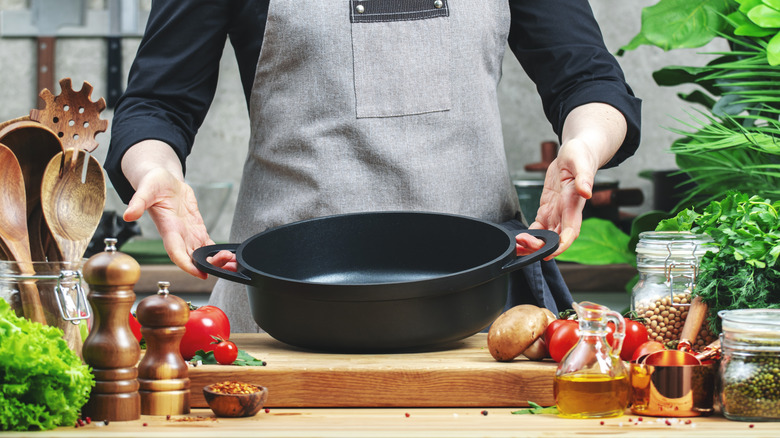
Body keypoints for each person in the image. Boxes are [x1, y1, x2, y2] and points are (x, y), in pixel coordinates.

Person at [106, 0, 641, 333]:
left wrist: (586, 143)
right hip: (282, 311)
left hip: (479, 315)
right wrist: (155, 168)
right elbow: (157, 104)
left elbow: (588, 79)